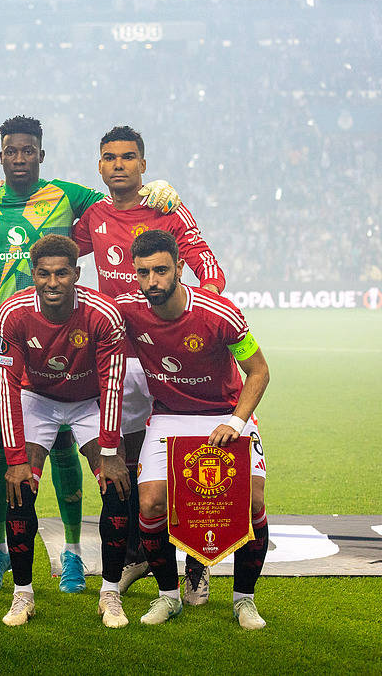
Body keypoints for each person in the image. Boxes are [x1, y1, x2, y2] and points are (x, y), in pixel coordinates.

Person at [0, 115, 179, 593]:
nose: (20, 158)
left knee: (63, 446)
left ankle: (74, 553)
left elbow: (120, 202)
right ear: (1, 155)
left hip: (66, 335)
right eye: (11, 151)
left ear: (41, 154)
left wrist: (157, 189)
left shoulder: (69, 195)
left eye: (28, 150)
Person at [72, 125, 227, 603]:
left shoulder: (166, 207)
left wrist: (196, 313)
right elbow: (49, 248)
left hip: (167, 353)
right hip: (119, 354)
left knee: (189, 454)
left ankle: (197, 563)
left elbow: (209, 267)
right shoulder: (94, 215)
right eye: (109, 157)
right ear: (99, 165)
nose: (118, 165)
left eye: (128, 157)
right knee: (127, 460)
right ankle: (137, 553)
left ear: (143, 163)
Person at [114, 230, 270, 630]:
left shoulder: (219, 313)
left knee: (252, 501)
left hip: (224, 414)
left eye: (161, 270)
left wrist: (236, 421)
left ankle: (244, 601)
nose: (152, 281)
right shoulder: (127, 311)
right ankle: (169, 597)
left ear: (180, 268)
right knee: (150, 503)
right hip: (169, 415)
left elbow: (258, 371)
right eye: (144, 272)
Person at [0, 235, 128, 627]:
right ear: (33, 274)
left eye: (62, 273)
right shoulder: (13, 313)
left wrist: (109, 452)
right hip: (38, 398)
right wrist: (16, 460)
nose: (52, 283)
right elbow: (7, 387)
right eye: (44, 274)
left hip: (89, 400)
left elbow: (112, 385)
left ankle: (110, 593)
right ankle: (23, 595)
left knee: (116, 486)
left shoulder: (103, 314)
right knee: (19, 488)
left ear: (77, 274)